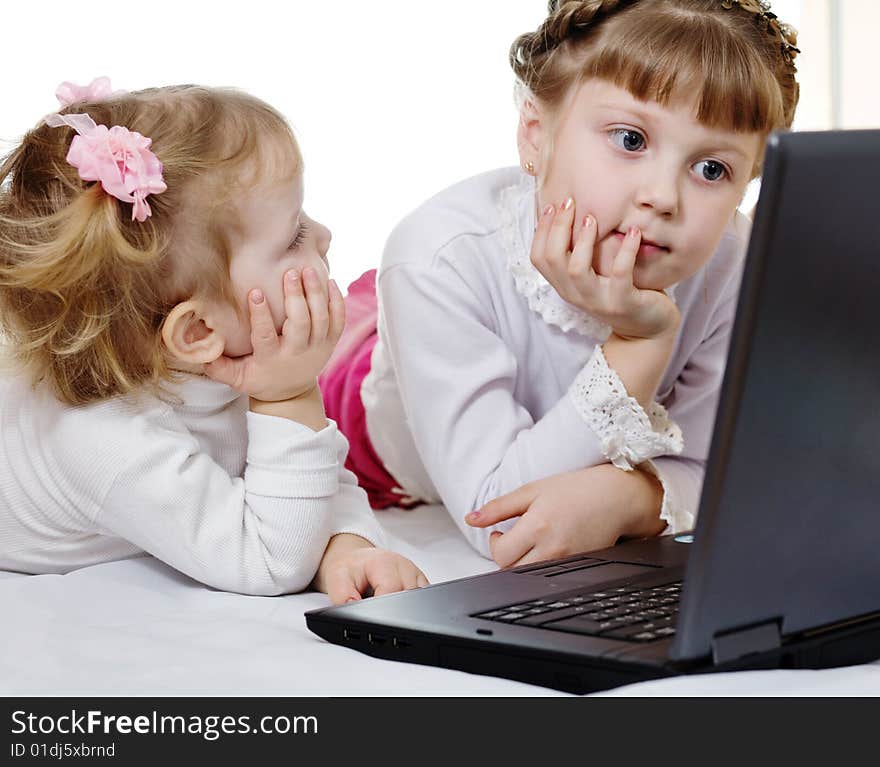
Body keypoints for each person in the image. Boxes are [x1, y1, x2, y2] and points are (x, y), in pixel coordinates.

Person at [319, 0, 800, 568]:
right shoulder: (435, 259)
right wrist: (639, 343)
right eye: (630, 139)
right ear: (534, 134)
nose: (663, 197)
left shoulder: (731, 262)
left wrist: (630, 499)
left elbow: (727, 473)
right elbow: (500, 520)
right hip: (376, 408)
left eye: (712, 170)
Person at [0, 79, 428, 603]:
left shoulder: (232, 355)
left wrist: (346, 546)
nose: (325, 235)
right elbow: (270, 559)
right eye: (293, 234)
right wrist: (287, 398)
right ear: (198, 330)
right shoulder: (106, 444)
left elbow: (311, 474)